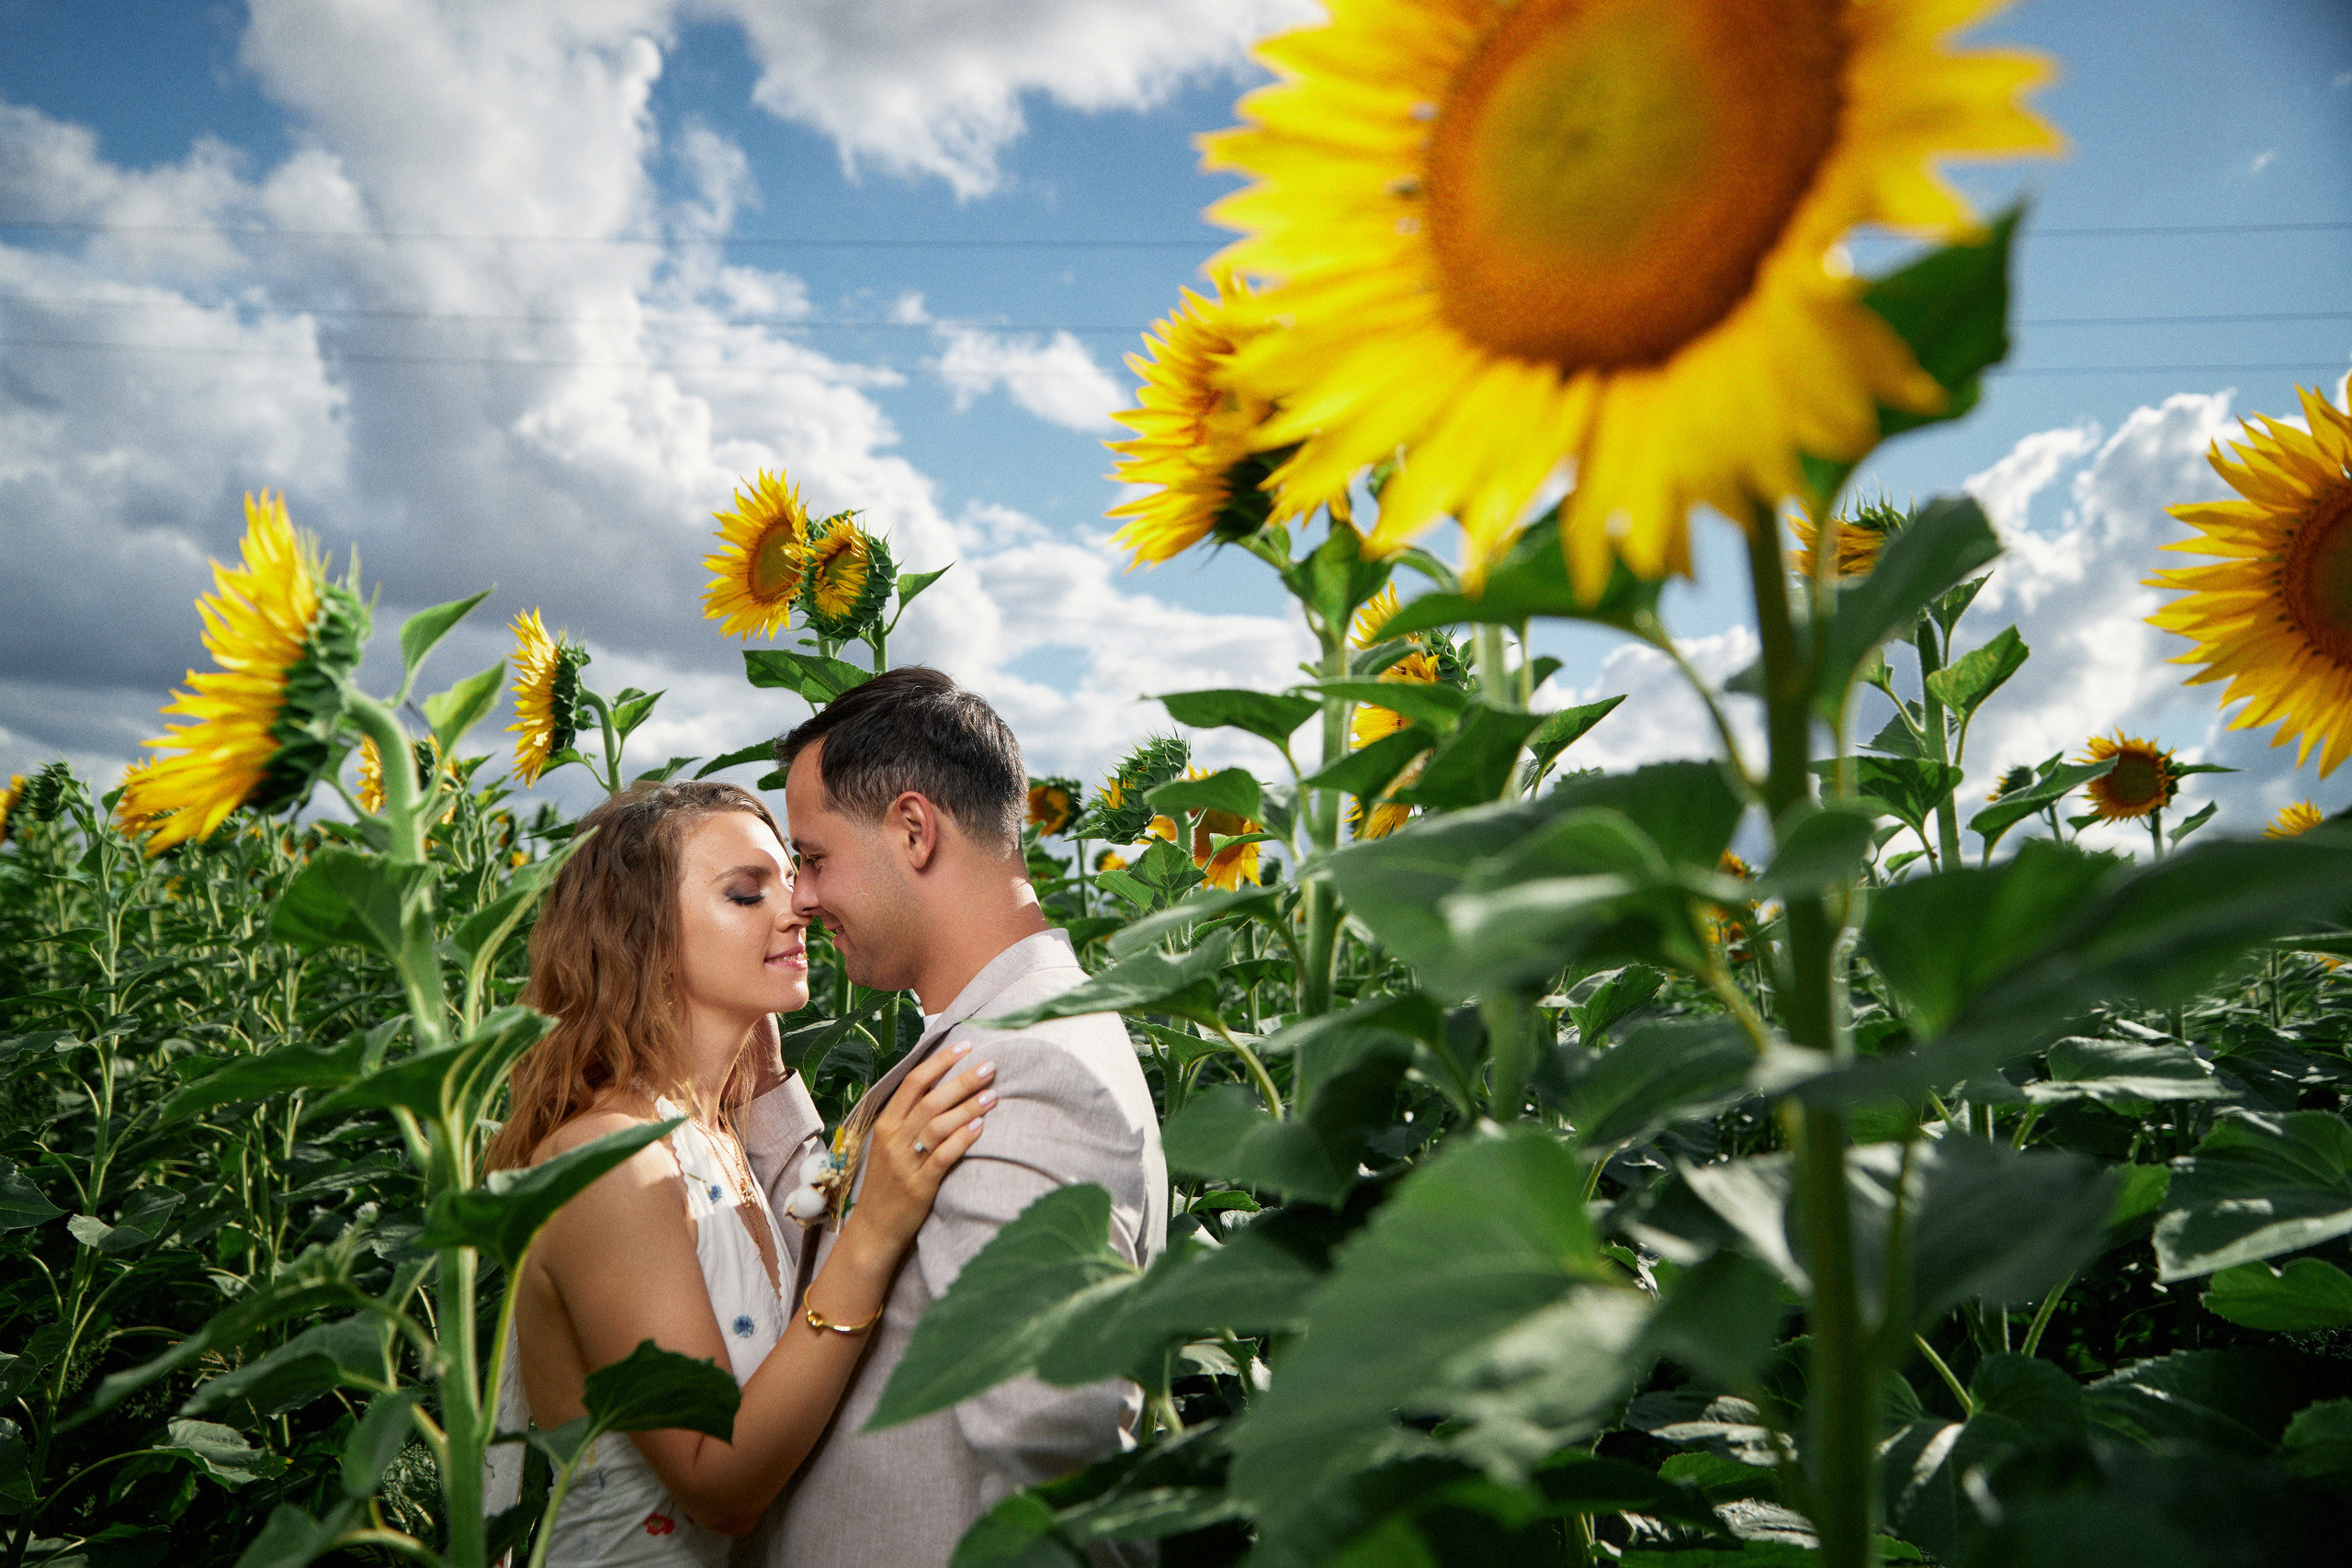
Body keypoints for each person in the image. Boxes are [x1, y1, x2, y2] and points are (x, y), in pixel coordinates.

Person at [481, 780, 995, 1563]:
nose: (798, 909)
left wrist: (775, 1093)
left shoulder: (713, 1135)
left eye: (791, 881)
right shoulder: (609, 1162)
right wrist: (874, 1232)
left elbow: (788, 1260)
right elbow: (717, 1483)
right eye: (748, 892)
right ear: (640, 935)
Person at [735, 666, 1168, 1568]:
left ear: (913, 829)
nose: (802, 899)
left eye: (813, 858)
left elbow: (1050, 1434)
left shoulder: (1030, 1068)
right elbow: (858, 1222)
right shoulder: (994, 1033)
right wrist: (768, 1086)